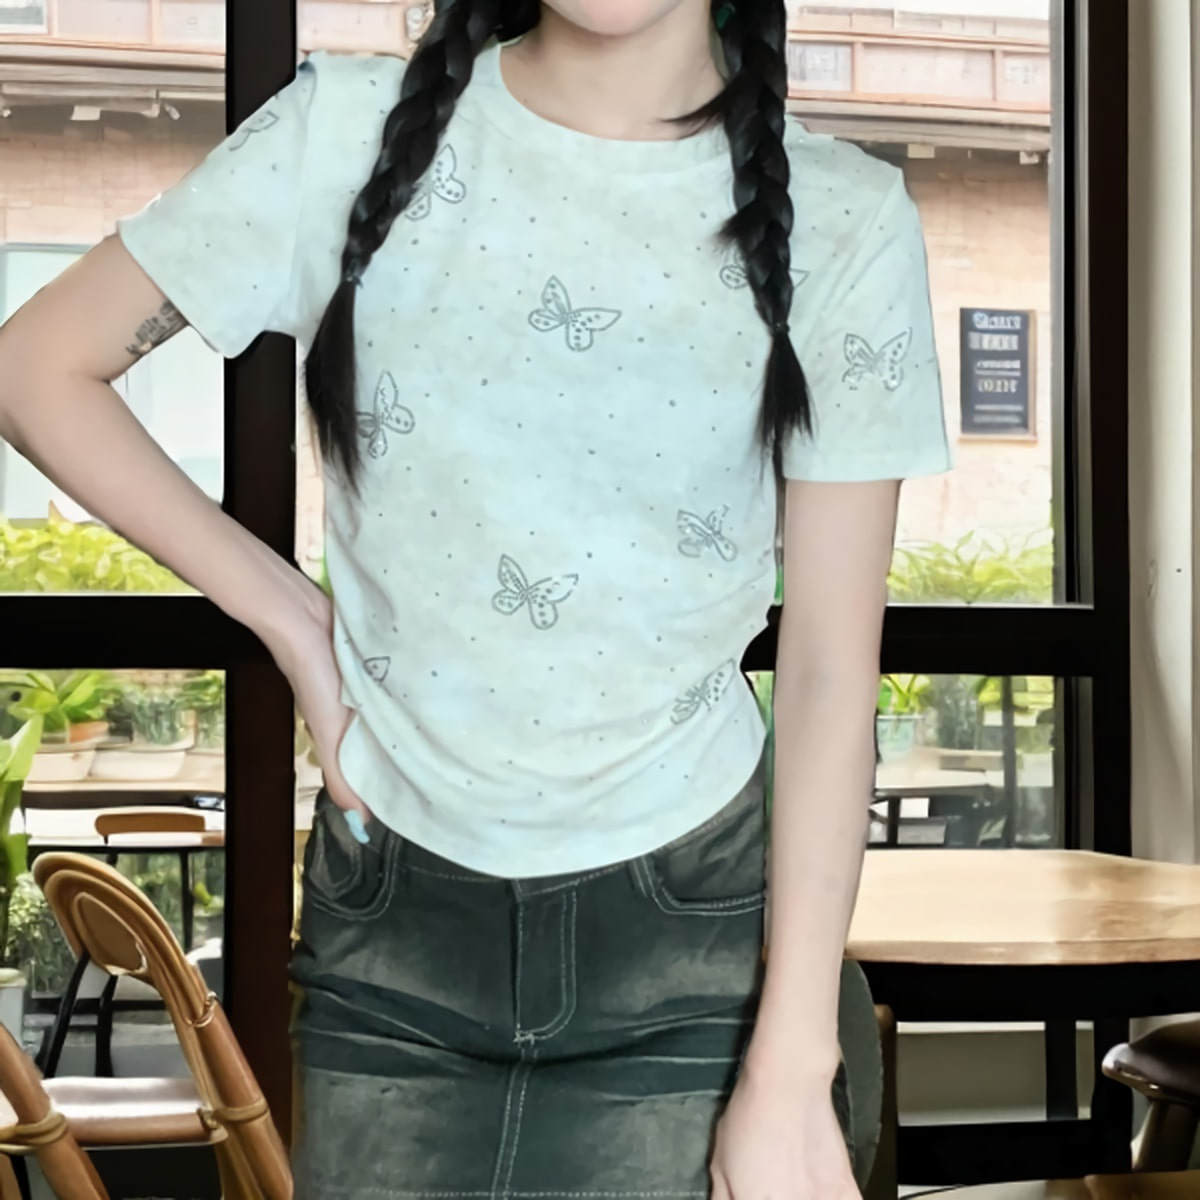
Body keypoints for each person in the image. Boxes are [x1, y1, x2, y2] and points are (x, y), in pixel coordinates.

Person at [0, 0, 951, 1196]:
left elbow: (827, 672)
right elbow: (35, 369)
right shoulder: (343, 136)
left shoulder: (847, 218)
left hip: (695, 953)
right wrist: (293, 622)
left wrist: (793, 1066)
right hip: (393, 942)